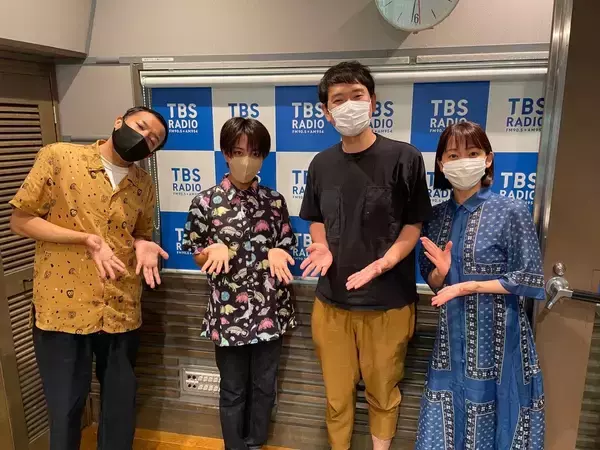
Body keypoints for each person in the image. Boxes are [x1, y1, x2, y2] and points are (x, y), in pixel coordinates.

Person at [9, 106, 170, 450]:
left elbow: (140, 233)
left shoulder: (142, 183)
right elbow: (21, 221)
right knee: (66, 410)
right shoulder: (60, 157)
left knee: (120, 408)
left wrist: (144, 244)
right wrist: (84, 239)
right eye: (141, 127)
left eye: (153, 140)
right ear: (119, 122)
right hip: (62, 311)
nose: (145, 138)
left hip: (120, 308)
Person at [299, 61, 432, 450]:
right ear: (326, 111)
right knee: (337, 397)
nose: (349, 106)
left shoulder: (405, 158)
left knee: (383, 393)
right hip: (332, 303)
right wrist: (322, 245)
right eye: (338, 99)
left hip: (388, 304)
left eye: (357, 96)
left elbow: (413, 225)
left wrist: (383, 263)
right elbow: (316, 218)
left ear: (373, 101)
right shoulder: (321, 164)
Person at [415, 121, 545, 449]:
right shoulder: (435, 217)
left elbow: (527, 277)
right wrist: (442, 273)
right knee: (448, 412)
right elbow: (433, 282)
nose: (463, 161)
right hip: (450, 338)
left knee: (501, 414)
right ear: (441, 164)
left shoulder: (511, 211)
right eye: (453, 155)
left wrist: (468, 286)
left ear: (488, 159)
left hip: (499, 336)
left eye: (472, 153)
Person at [181, 117, 296, 450]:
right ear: (226, 154)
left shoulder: (274, 202)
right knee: (232, 388)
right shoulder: (205, 202)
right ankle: (234, 446)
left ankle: (256, 442)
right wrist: (209, 252)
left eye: (255, 153)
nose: (247, 160)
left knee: (264, 386)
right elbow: (196, 252)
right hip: (228, 312)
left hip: (270, 309)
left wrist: (279, 251)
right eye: (239, 152)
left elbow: (286, 245)